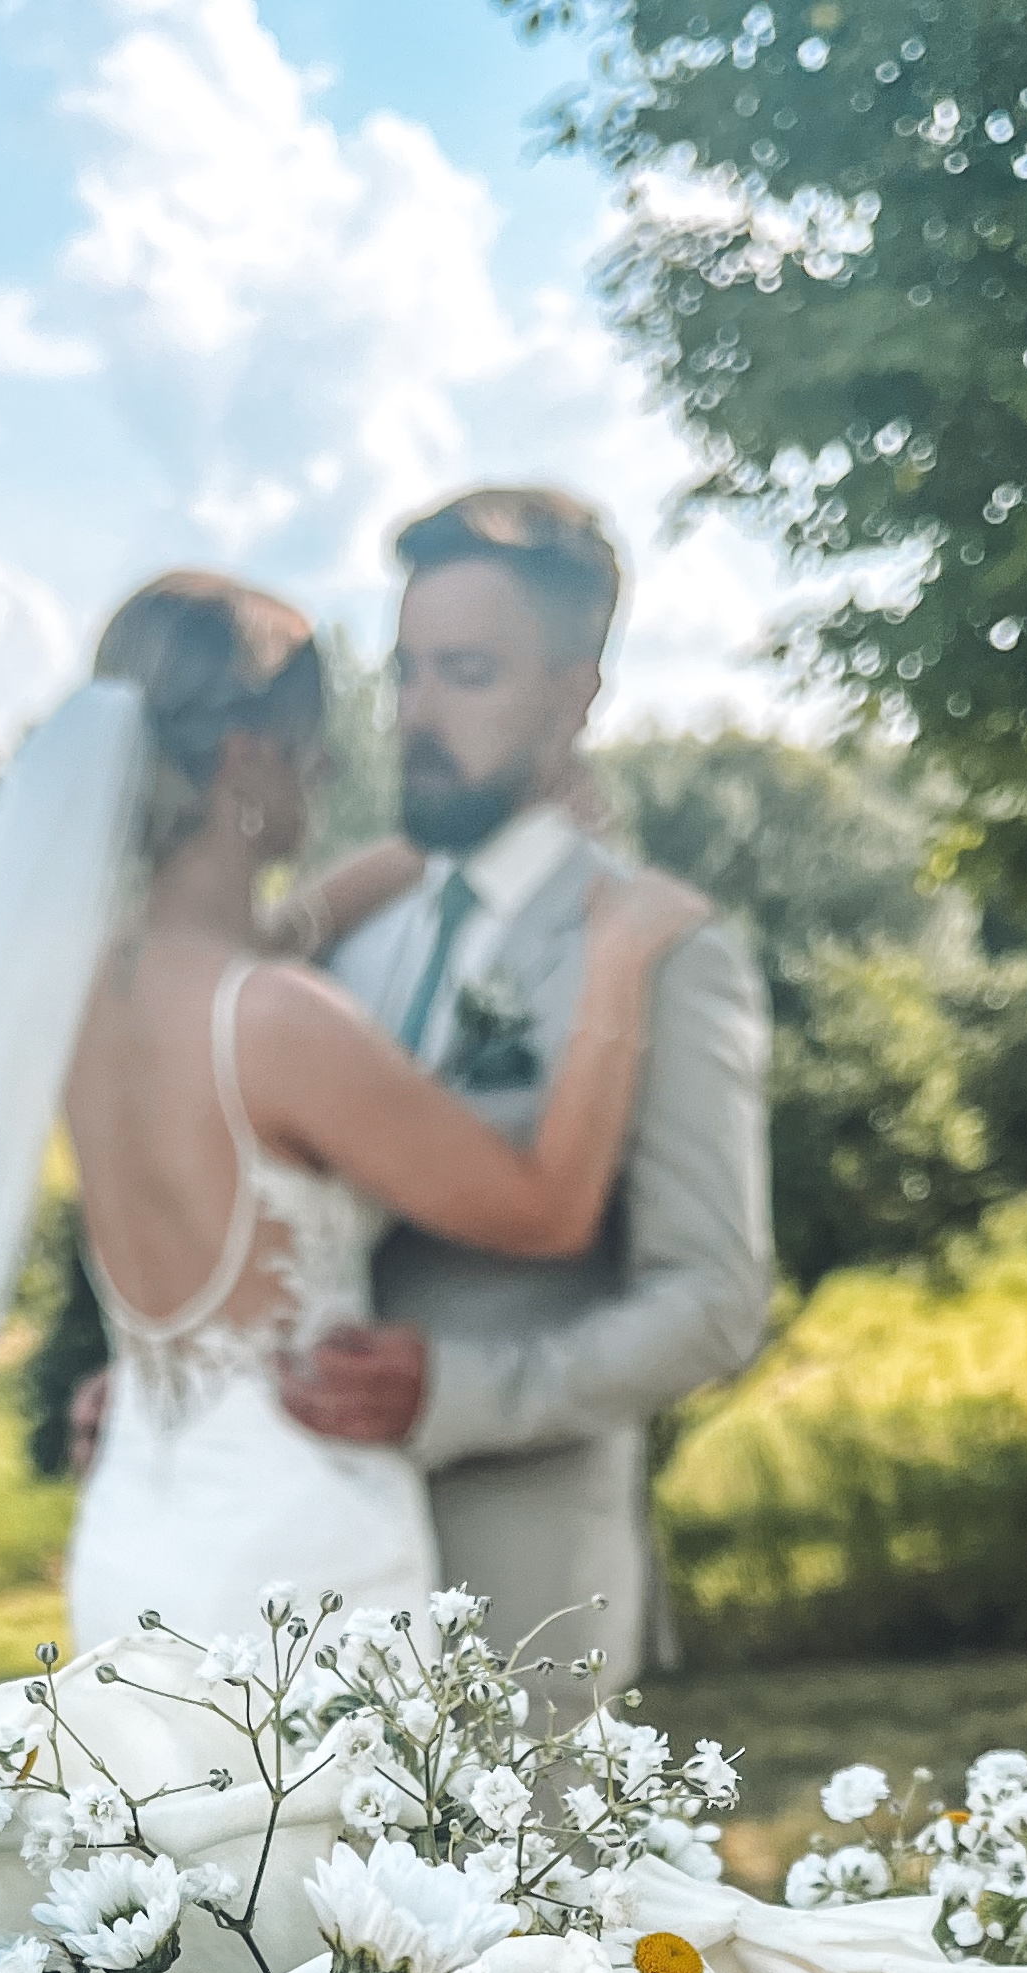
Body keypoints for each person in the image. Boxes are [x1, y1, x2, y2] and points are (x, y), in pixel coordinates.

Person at [64, 568, 711, 1650]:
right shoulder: (278, 1022)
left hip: (135, 1532)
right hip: (296, 1559)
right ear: (245, 756)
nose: (324, 769)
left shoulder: (90, 994)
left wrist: (447, 840)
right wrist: (617, 960)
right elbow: (547, 1209)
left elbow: (269, 933)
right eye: (308, 741)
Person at [269, 487, 773, 1681]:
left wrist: (459, 1390)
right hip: (290, 1573)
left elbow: (714, 1300)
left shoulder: (666, 953)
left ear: (573, 693)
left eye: (467, 674)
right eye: (404, 673)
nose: (416, 714)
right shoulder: (347, 939)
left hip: (518, 1600)